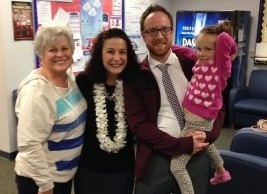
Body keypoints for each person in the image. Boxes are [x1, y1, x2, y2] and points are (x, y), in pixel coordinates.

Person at [123, 4, 226, 194]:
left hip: (195, 155)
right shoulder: (135, 76)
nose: (160, 36)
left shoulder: (193, 63)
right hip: (155, 158)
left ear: (171, 31)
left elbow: (218, 107)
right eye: (152, 31)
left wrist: (207, 137)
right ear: (143, 35)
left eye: (164, 29)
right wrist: (181, 144)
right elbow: (138, 125)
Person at [14, 21, 87, 194]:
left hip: (63, 175)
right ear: (41, 54)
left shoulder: (68, 78)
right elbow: (30, 145)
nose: (60, 54)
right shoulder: (36, 92)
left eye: (65, 48)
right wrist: (46, 186)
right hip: (40, 181)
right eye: (52, 49)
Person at [170, 21, 237, 194]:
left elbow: (224, 40)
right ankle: (221, 171)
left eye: (208, 49)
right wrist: (170, 45)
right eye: (199, 48)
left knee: (176, 167)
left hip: (198, 122)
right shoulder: (201, 62)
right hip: (192, 118)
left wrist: (224, 34)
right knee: (207, 145)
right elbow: (187, 51)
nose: (201, 53)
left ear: (220, 51)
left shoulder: (220, 68)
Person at [74, 28, 139, 194]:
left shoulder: (134, 85)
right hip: (89, 169)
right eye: (110, 51)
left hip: (122, 170)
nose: (117, 58)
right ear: (100, 54)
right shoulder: (83, 82)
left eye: (122, 52)